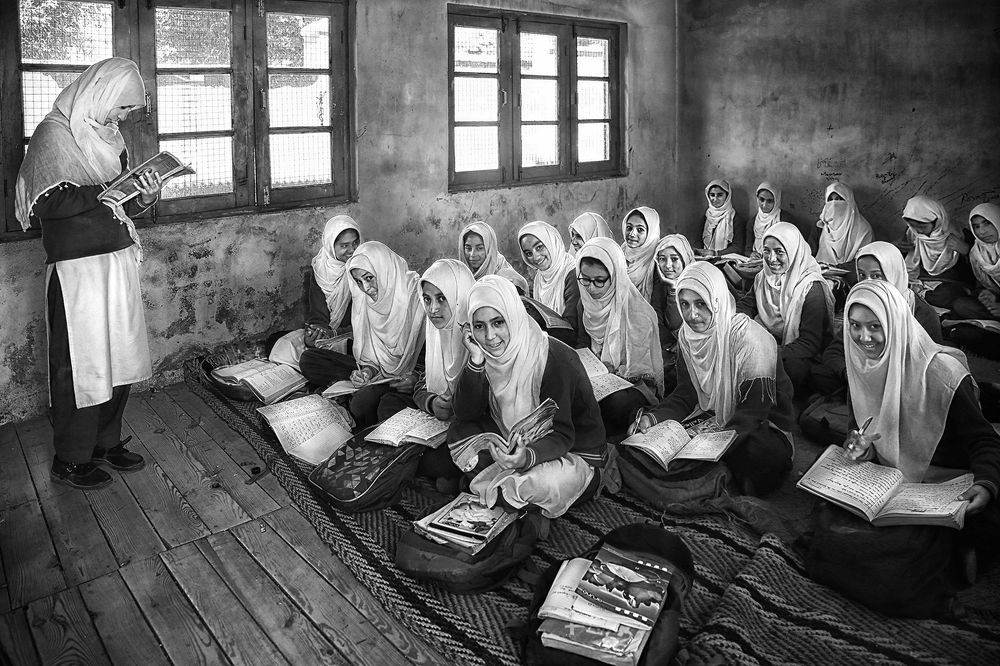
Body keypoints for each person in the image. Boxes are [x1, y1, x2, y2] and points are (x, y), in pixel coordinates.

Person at [15, 58, 162, 490]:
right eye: (120, 108)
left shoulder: (110, 139)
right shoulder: (52, 135)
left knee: (121, 356)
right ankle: (71, 458)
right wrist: (108, 194)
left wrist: (144, 195)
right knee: (81, 364)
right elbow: (48, 203)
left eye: (127, 113)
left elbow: (122, 209)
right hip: (77, 273)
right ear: (100, 93)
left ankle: (105, 442)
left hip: (115, 265)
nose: (121, 119)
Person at [837, 280, 999, 567]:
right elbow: (861, 431)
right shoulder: (860, 366)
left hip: (945, 481)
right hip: (889, 478)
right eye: (854, 325)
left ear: (897, 323)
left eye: (875, 326)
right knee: (832, 513)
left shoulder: (943, 374)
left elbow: (984, 440)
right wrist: (862, 448)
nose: (863, 338)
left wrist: (985, 484)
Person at [443, 276, 610, 518]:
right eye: (479, 326)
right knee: (459, 432)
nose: (490, 337)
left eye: (498, 322)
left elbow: (562, 434)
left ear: (514, 316)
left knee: (545, 483)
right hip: (513, 439)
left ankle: (502, 487)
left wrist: (525, 458)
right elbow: (466, 412)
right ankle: (508, 492)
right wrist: (476, 361)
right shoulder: (485, 354)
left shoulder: (553, 358)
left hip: (570, 451)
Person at [631, 262, 795, 496]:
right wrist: (653, 419)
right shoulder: (687, 338)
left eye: (701, 304)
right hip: (710, 416)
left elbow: (753, 412)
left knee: (758, 455)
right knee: (645, 436)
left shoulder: (750, 340)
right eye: (684, 305)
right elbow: (686, 395)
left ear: (716, 301)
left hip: (762, 424)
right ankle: (709, 476)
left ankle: (709, 475)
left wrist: (712, 445)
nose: (692, 315)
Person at [300, 241, 425, 428]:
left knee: (364, 404)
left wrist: (415, 378)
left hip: (407, 381)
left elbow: (433, 359)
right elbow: (370, 356)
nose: (366, 288)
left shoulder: (418, 298)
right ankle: (353, 391)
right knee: (309, 359)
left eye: (369, 278)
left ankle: (350, 399)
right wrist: (366, 371)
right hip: (381, 376)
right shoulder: (365, 302)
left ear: (384, 270)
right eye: (359, 281)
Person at [814, 241, 943, 394]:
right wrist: (850, 374)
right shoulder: (861, 306)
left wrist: (883, 377)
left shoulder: (921, 312)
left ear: (894, 273)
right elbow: (834, 351)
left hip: (901, 382)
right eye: (862, 275)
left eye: (877, 276)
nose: (869, 283)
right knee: (818, 373)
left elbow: (931, 366)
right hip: (862, 374)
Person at [575, 238, 664, 437]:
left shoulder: (638, 313)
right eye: (585, 279)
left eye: (599, 281)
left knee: (616, 404)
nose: (591, 288)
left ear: (616, 276)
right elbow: (582, 345)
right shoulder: (585, 305)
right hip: (597, 379)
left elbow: (643, 374)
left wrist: (613, 373)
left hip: (633, 385)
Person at [737, 222, 834, 397]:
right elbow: (747, 305)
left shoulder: (811, 288)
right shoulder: (763, 277)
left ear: (794, 252)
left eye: (779, 252)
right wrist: (735, 324)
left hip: (802, 352)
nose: (771, 258)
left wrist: (768, 352)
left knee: (791, 369)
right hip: (773, 344)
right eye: (766, 250)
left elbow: (809, 344)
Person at [376, 258, 475, 422]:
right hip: (437, 417)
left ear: (459, 297)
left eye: (442, 298)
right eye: (427, 299)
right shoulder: (437, 333)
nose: (433, 309)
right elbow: (425, 382)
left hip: (468, 421)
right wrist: (433, 403)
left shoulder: (481, 336)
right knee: (389, 403)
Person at [268, 215, 360, 370]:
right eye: (344, 246)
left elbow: (366, 319)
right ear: (331, 246)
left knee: (313, 360)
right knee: (275, 340)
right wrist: (315, 334)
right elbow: (317, 315)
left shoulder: (362, 268)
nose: (351, 251)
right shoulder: (320, 270)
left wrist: (336, 334)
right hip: (330, 336)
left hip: (354, 336)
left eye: (355, 243)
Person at [900, 194, 973, 309]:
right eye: (913, 226)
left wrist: (966, 250)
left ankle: (922, 297)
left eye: (922, 226)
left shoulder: (959, 233)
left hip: (950, 282)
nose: (918, 230)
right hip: (921, 281)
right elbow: (907, 262)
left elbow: (973, 271)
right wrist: (903, 249)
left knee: (948, 294)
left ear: (937, 220)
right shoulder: (912, 234)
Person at [947, 203, 1000, 361]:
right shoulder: (977, 253)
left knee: (968, 335)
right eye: (976, 226)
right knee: (961, 305)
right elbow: (979, 286)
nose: (982, 231)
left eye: (987, 224)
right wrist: (987, 294)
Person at [518, 220, 581, 341]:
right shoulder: (540, 276)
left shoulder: (572, 274)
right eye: (528, 253)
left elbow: (572, 326)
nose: (535, 257)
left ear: (552, 242)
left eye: (539, 247)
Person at [650, 234, 696, 389]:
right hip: (671, 343)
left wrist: (682, 343)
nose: (668, 265)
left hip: (697, 343)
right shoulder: (662, 283)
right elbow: (655, 316)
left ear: (685, 258)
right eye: (662, 259)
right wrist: (669, 344)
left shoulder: (700, 280)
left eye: (675, 259)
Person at [812, 182, 873, 267]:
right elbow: (809, 255)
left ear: (849, 201)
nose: (834, 204)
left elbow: (865, 261)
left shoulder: (863, 230)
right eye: (830, 200)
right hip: (820, 273)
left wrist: (838, 269)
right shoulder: (820, 226)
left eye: (839, 199)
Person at [459, 221, 528, 294]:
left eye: (480, 248)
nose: (472, 254)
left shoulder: (507, 280)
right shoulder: (460, 276)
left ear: (490, 249)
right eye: (468, 248)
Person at [621, 206, 661, 300]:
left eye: (640, 230)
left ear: (651, 233)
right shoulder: (619, 254)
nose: (632, 234)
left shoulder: (658, 263)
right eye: (629, 228)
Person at [747, 181, 795, 257]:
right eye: (761, 199)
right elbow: (747, 249)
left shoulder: (786, 220)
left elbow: (792, 248)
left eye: (770, 201)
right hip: (757, 260)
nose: (764, 205)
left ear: (776, 201)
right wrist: (751, 254)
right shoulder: (753, 221)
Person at [700, 179, 746, 257]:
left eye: (720, 195)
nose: (715, 199)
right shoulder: (707, 216)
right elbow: (698, 240)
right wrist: (701, 252)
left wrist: (716, 253)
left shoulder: (734, 217)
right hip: (705, 258)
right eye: (712, 195)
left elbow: (738, 247)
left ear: (727, 196)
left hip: (727, 259)